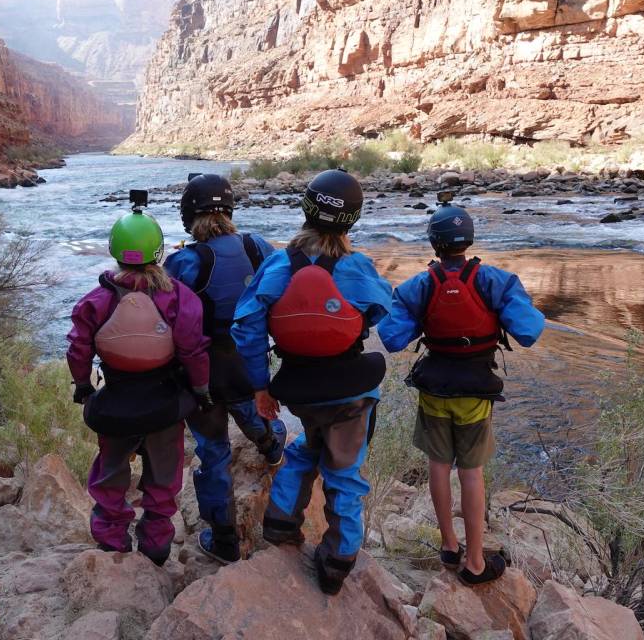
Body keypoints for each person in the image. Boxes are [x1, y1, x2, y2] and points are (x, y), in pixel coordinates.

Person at [232, 169, 392, 595]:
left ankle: (281, 524)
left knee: (306, 449)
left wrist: (260, 386)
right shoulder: (358, 267)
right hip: (351, 392)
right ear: (351, 220)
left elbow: (246, 325)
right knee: (345, 470)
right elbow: (382, 313)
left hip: (301, 389)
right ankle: (338, 559)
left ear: (306, 208)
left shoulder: (280, 263)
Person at [378, 195, 544, 586]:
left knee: (438, 465)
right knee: (471, 472)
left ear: (433, 242)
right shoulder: (496, 281)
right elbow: (530, 331)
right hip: (475, 391)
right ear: (468, 240)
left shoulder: (418, 285)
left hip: (434, 387)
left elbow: (391, 337)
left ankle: (449, 547)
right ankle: (474, 562)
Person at [66, 193, 211, 567]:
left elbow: (78, 350)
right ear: (159, 252)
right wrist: (200, 389)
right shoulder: (179, 297)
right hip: (164, 402)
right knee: (164, 475)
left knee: (111, 470)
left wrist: (83, 386)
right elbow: (194, 351)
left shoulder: (95, 300)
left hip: (115, 401)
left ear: (115, 250)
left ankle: (112, 539)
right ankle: (156, 543)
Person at [165, 173, 287, 564]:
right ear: (230, 209)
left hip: (201, 371)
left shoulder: (184, 260)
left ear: (189, 214)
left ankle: (223, 541)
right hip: (249, 361)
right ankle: (270, 445)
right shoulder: (257, 247)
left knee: (213, 451)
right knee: (253, 410)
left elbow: (164, 313)